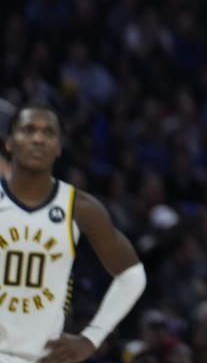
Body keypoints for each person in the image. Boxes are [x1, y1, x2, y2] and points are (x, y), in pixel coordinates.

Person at [1, 104, 147, 362]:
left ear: (58, 147)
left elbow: (132, 275)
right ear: (9, 143)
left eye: (49, 133)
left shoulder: (80, 207)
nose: (38, 139)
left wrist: (91, 338)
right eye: (28, 130)